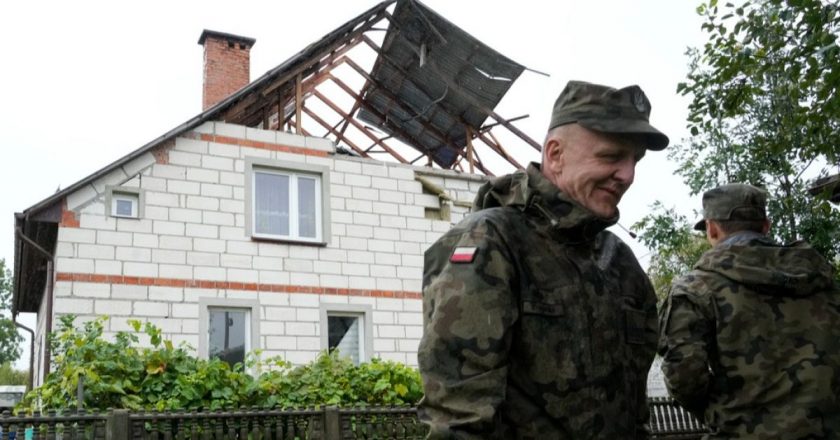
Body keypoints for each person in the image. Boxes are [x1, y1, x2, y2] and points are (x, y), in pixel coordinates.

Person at [417, 80, 669, 439]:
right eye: (611, 156)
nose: (628, 175)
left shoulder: (620, 262)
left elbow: (633, 412)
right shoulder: (492, 242)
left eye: (635, 161)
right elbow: (458, 424)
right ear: (555, 154)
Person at [658, 183, 840, 438]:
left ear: (711, 229)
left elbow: (684, 377)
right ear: (766, 226)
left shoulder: (696, 289)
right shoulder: (823, 281)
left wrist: (727, 414)